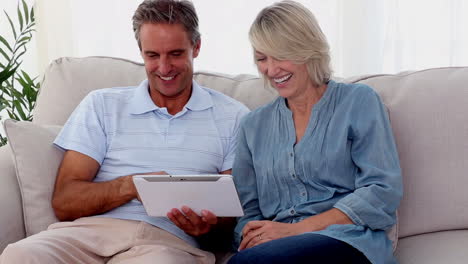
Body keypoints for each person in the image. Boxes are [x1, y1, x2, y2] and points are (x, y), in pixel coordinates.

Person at [0, 0, 249, 263]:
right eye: (153, 55)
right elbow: (65, 201)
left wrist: (209, 227)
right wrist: (131, 186)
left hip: (167, 244)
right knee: (20, 254)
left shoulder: (233, 117)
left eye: (175, 54)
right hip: (87, 236)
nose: (164, 68)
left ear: (196, 47)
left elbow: (236, 212)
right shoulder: (101, 105)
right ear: (141, 51)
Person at [228, 1, 403, 264]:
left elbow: (382, 189)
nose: (271, 70)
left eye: (281, 56)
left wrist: (294, 230)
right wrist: (253, 233)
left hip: (346, 240)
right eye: (262, 59)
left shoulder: (358, 101)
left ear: (307, 50)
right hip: (275, 249)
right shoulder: (253, 126)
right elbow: (246, 210)